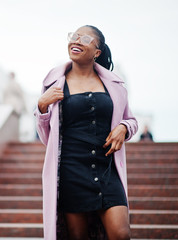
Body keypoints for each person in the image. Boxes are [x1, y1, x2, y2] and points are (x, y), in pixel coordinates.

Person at [34, 25, 138, 240]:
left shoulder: (114, 85)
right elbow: (46, 138)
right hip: (72, 171)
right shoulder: (54, 85)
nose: (76, 40)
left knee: (121, 234)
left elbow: (131, 119)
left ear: (97, 52)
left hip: (107, 168)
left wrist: (124, 128)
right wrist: (42, 107)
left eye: (85, 38)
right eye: (73, 36)